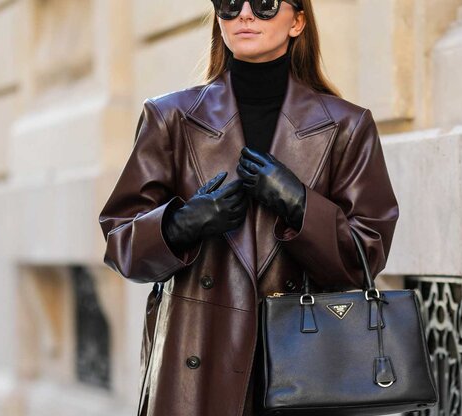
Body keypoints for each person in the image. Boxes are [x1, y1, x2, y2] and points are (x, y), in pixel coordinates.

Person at [98, 0, 400, 414]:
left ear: (297, 21)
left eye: (263, 4)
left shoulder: (347, 126)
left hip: (305, 359)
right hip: (199, 358)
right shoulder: (169, 118)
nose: (243, 14)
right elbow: (121, 244)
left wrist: (298, 205)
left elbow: (367, 253)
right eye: (228, 3)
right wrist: (183, 223)